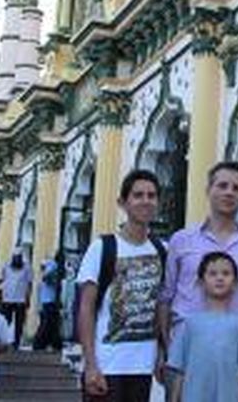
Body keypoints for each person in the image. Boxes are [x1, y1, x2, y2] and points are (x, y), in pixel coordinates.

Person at [157, 161, 238, 394]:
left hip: (237, 356)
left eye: (236, 188)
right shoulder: (182, 241)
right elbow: (166, 296)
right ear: (208, 189)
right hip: (186, 353)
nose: (229, 192)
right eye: (222, 185)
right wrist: (164, 350)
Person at [77, 169, 167, 402]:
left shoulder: (161, 251)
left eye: (151, 195)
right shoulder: (102, 247)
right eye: (138, 195)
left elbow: (161, 307)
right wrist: (90, 364)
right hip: (107, 365)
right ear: (123, 202)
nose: (145, 201)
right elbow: (86, 308)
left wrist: (161, 353)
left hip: (143, 367)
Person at [167, 252, 238, 402]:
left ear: (236, 282)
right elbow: (179, 370)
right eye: (212, 273)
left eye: (226, 273)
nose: (220, 278)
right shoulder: (189, 324)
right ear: (201, 282)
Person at [0, 251, 32, 349]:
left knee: (19, 322)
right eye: (15, 258)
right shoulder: (6, 266)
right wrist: (2, 295)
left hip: (21, 299)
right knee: (5, 321)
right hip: (7, 298)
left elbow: (30, 284)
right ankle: (2, 340)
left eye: (19, 258)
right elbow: (3, 280)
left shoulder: (27, 268)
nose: (17, 260)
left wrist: (28, 297)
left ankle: (16, 343)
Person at [33, 256, 62, 351]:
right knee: (48, 323)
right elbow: (47, 277)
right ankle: (39, 343)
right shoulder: (52, 268)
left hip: (48, 301)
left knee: (51, 323)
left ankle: (52, 343)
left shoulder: (49, 269)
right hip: (49, 301)